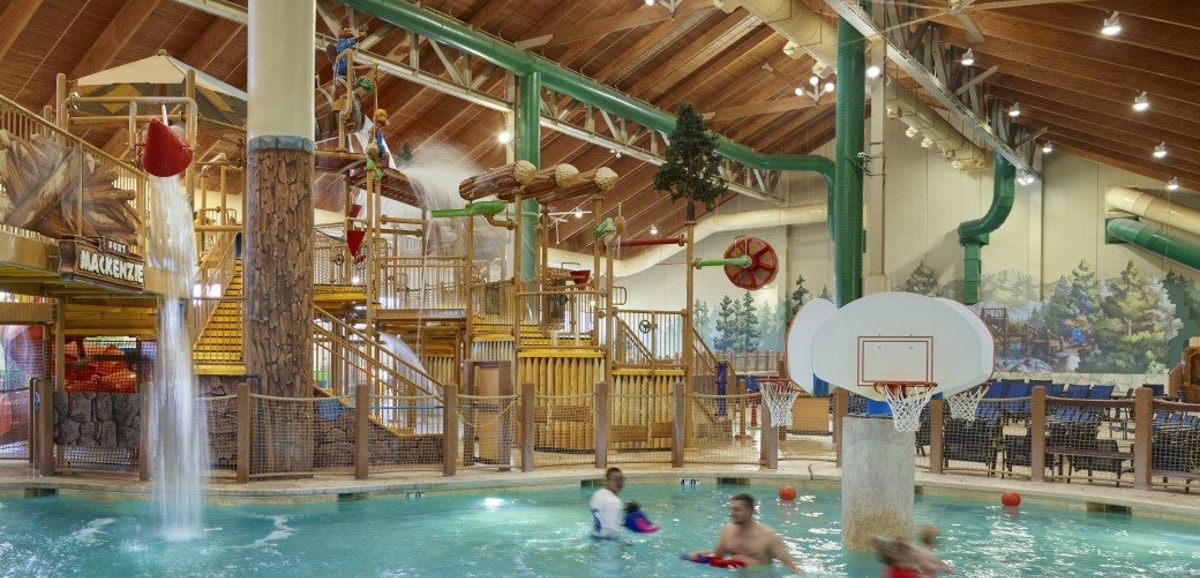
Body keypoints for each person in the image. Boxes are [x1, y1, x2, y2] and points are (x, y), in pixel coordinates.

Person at [711, 493, 800, 572]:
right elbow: (716, 557)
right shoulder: (727, 531)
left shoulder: (768, 536)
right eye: (731, 509)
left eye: (736, 510)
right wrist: (701, 557)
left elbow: (790, 565)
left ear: (750, 511)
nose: (731, 513)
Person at [589, 467, 625, 539]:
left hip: (593, 538)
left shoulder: (597, 494)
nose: (619, 483)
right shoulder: (614, 501)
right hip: (607, 545)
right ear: (607, 481)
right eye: (615, 480)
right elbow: (611, 531)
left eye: (621, 479)